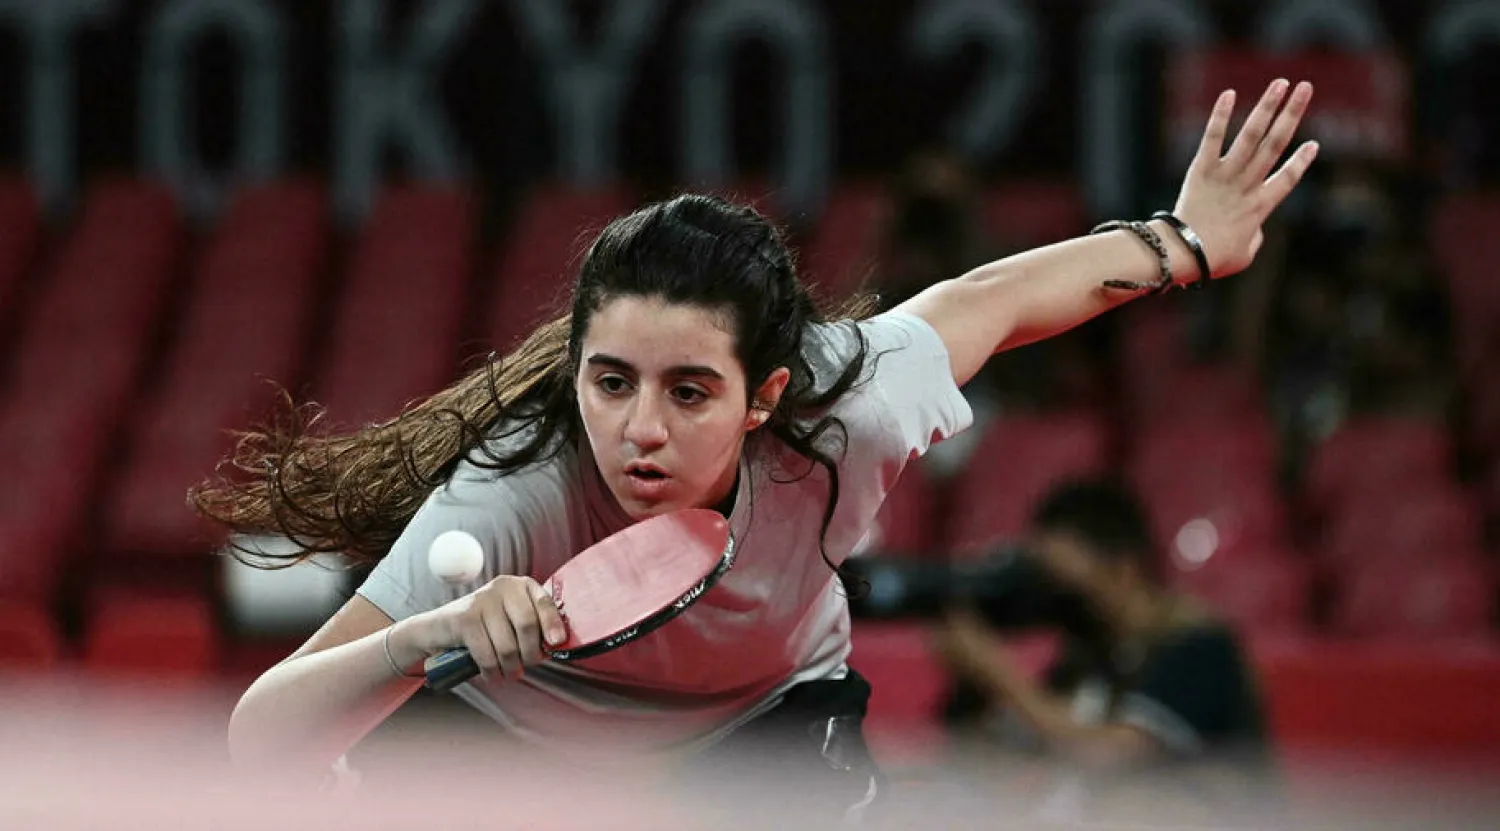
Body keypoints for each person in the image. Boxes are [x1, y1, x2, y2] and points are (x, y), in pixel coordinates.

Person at [192, 79, 1318, 820]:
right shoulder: (511, 493)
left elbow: (992, 301)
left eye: (690, 392)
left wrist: (1186, 244)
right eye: (612, 381)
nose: (640, 429)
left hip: (761, 730)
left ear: (763, 396)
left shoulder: (843, 413)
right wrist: (432, 636)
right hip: (511, 746)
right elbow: (261, 735)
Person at [933, 480, 1273, 821]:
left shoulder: (1199, 648)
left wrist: (996, 670)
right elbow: (986, 750)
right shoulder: (1093, 655)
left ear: (1124, 570)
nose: (1057, 601)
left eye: (1067, 585)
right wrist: (971, 681)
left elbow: (1107, 752)